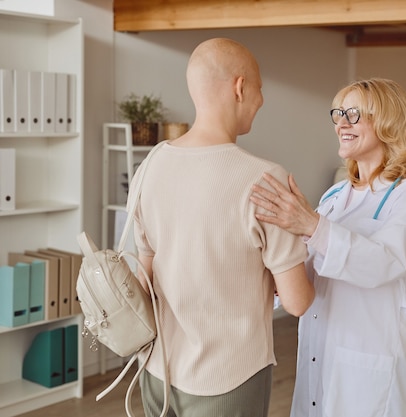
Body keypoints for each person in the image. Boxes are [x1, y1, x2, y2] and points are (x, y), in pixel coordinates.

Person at [130, 37, 314, 417]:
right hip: (230, 381)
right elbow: (297, 302)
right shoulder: (265, 180)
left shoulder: (151, 164)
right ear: (240, 87)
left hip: (156, 372)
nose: (261, 101)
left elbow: (144, 279)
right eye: (260, 88)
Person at [250, 78, 406, 417]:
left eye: (354, 114)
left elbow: (385, 263)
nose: (341, 123)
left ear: (388, 123)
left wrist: (310, 225)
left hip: (368, 356)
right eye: (338, 113)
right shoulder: (335, 196)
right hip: (318, 351)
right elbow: (306, 270)